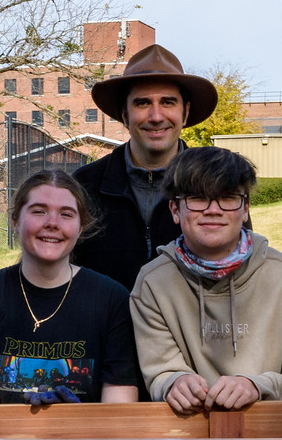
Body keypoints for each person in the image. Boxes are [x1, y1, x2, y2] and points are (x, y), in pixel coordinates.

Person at [0, 170, 141, 404]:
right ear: (15, 221)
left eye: (66, 214)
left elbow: (116, 416)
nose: (52, 223)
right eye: (39, 211)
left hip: (86, 438)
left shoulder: (112, 300)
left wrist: (72, 426)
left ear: (80, 227)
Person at [130, 148, 282, 414]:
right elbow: (160, 369)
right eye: (198, 198)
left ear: (245, 209)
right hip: (188, 433)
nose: (213, 210)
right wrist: (174, 381)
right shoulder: (152, 282)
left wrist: (257, 385)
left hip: (275, 431)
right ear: (175, 209)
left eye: (227, 198)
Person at [72, 44, 219, 294]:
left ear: (185, 113)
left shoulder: (216, 183)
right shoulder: (84, 186)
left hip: (191, 332)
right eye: (142, 103)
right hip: (106, 332)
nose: (156, 116)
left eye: (168, 102)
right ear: (124, 115)